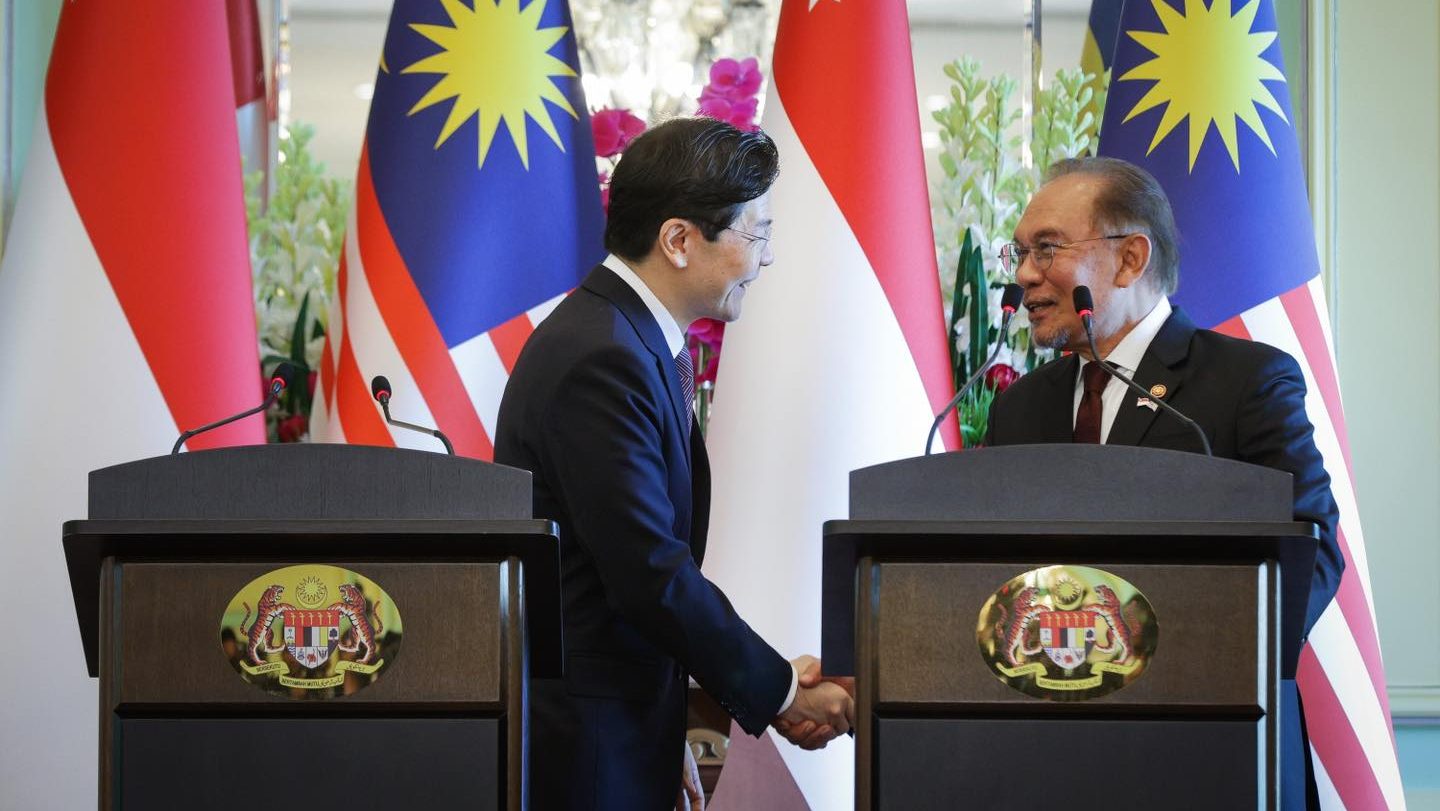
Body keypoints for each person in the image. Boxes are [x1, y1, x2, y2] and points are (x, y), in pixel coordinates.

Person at [495, 117, 854, 811]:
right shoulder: (603, 357)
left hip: (623, 728)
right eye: (757, 235)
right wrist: (780, 689)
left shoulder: (627, 339)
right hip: (587, 750)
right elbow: (649, 573)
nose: (767, 259)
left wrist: (672, 727)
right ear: (680, 240)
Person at [984, 155, 1343, 809]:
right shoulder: (1019, 405)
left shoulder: (1246, 382)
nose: (1025, 275)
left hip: (1217, 749)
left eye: (1046, 248)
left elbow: (1312, 549)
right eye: (1020, 252)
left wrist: (1204, 661)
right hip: (1050, 761)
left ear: (1129, 259)